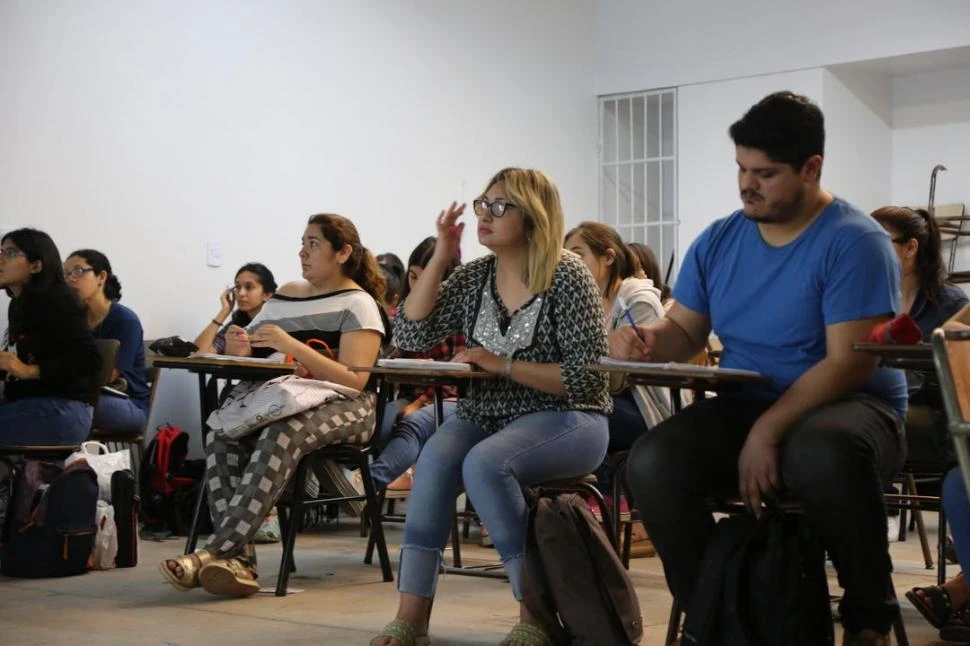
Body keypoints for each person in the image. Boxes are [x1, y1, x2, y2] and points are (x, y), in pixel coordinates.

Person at [624, 92, 907, 646]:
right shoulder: (721, 239)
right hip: (749, 404)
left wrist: (768, 429)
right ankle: (719, 612)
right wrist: (646, 341)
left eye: (766, 174)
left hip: (852, 407)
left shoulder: (855, 241)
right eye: (741, 169)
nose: (747, 185)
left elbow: (851, 363)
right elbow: (684, 332)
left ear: (811, 168)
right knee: (653, 462)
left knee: (821, 451)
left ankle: (867, 618)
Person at [371, 168, 612, 646]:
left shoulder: (567, 275)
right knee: (436, 461)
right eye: (484, 203)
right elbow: (411, 335)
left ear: (534, 217)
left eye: (500, 207)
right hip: (487, 415)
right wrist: (442, 253)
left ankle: (535, 614)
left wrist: (503, 365)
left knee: (486, 464)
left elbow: (587, 376)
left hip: (572, 417)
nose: (485, 214)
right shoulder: (475, 275)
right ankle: (411, 618)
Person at [159, 213, 386, 597]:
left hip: (349, 407)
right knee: (222, 432)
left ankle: (213, 551)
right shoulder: (286, 296)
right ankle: (239, 563)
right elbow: (251, 350)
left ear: (343, 252)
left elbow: (354, 379)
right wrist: (238, 345)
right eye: (302, 243)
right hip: (286, 399)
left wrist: (292, 346)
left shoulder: (359, 304)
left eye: (314, 244)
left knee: (282, 432)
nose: (302, 253)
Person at [564, 222, 668, 557]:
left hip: (643, 409)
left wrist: (586, 361)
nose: (570, 261)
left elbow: (622, 375)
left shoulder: (638, 301)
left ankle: (606, 502)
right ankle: (566, 508)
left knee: (584, 416)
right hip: (603, 399)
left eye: (577, 253)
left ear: (608, 257)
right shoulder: (585, 302)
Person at [872, 206, 968, 463]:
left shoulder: (949, 303)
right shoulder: (869, 300)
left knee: (861, 427)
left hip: (933, 411)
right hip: (878, 401)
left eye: (878, 243)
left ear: (911, 248)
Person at [369, 237, 464, 492]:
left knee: (411, 422)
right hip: (413, 395)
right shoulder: (403, 312)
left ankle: (367, 484)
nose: (419, 285)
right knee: (378, 422)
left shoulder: (460, 315)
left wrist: (419, 403)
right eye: (413, 277)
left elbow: (457, 380)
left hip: (455, 400)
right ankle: (373, 479)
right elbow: (392, 362)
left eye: (429, 278)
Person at [0, 229, 101, 447]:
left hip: (61, 411)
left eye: (10, 252)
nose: (1, 259)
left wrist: (28, 371)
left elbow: (90, 360)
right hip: (31, 405)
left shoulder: (57, 301)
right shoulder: (18, 304)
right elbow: (21, 359)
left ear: (36, 266)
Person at [64, 249, 150, 434]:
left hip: (127, 404)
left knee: (62, 408)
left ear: (101, 277)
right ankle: (41, 462)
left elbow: (108, 376)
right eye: (66, 274)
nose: (70, 279)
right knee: (41, 404)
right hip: (83, 396)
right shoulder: (72, 319)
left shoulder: (124, 320)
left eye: (78, 271)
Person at [193, 263, 277, 355]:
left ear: (267, 294)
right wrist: (224, 312)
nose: (241, 293)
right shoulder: (237, 324)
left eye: (248, 287)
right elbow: (196, 354)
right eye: (238, 287)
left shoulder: (279, 324)